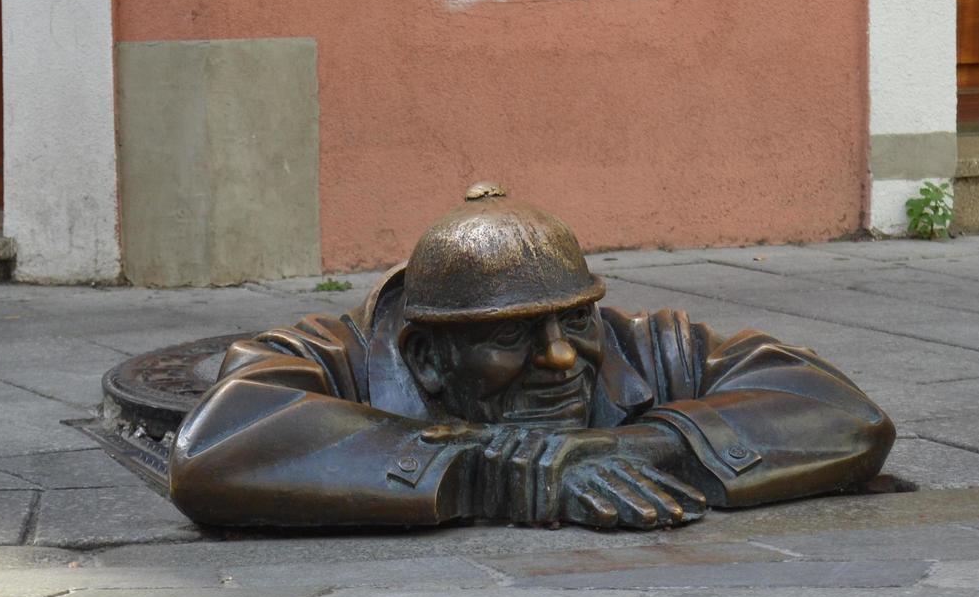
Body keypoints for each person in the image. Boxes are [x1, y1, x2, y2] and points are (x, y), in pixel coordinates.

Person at [168, 185, 895, 530]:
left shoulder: (644, 343)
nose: (559, 357)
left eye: (574, 321)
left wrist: (632, 446)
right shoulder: (323, 356)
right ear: (425, 358)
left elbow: (842, 415)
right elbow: (218, 450)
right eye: (510, 336)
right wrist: (487, 471)